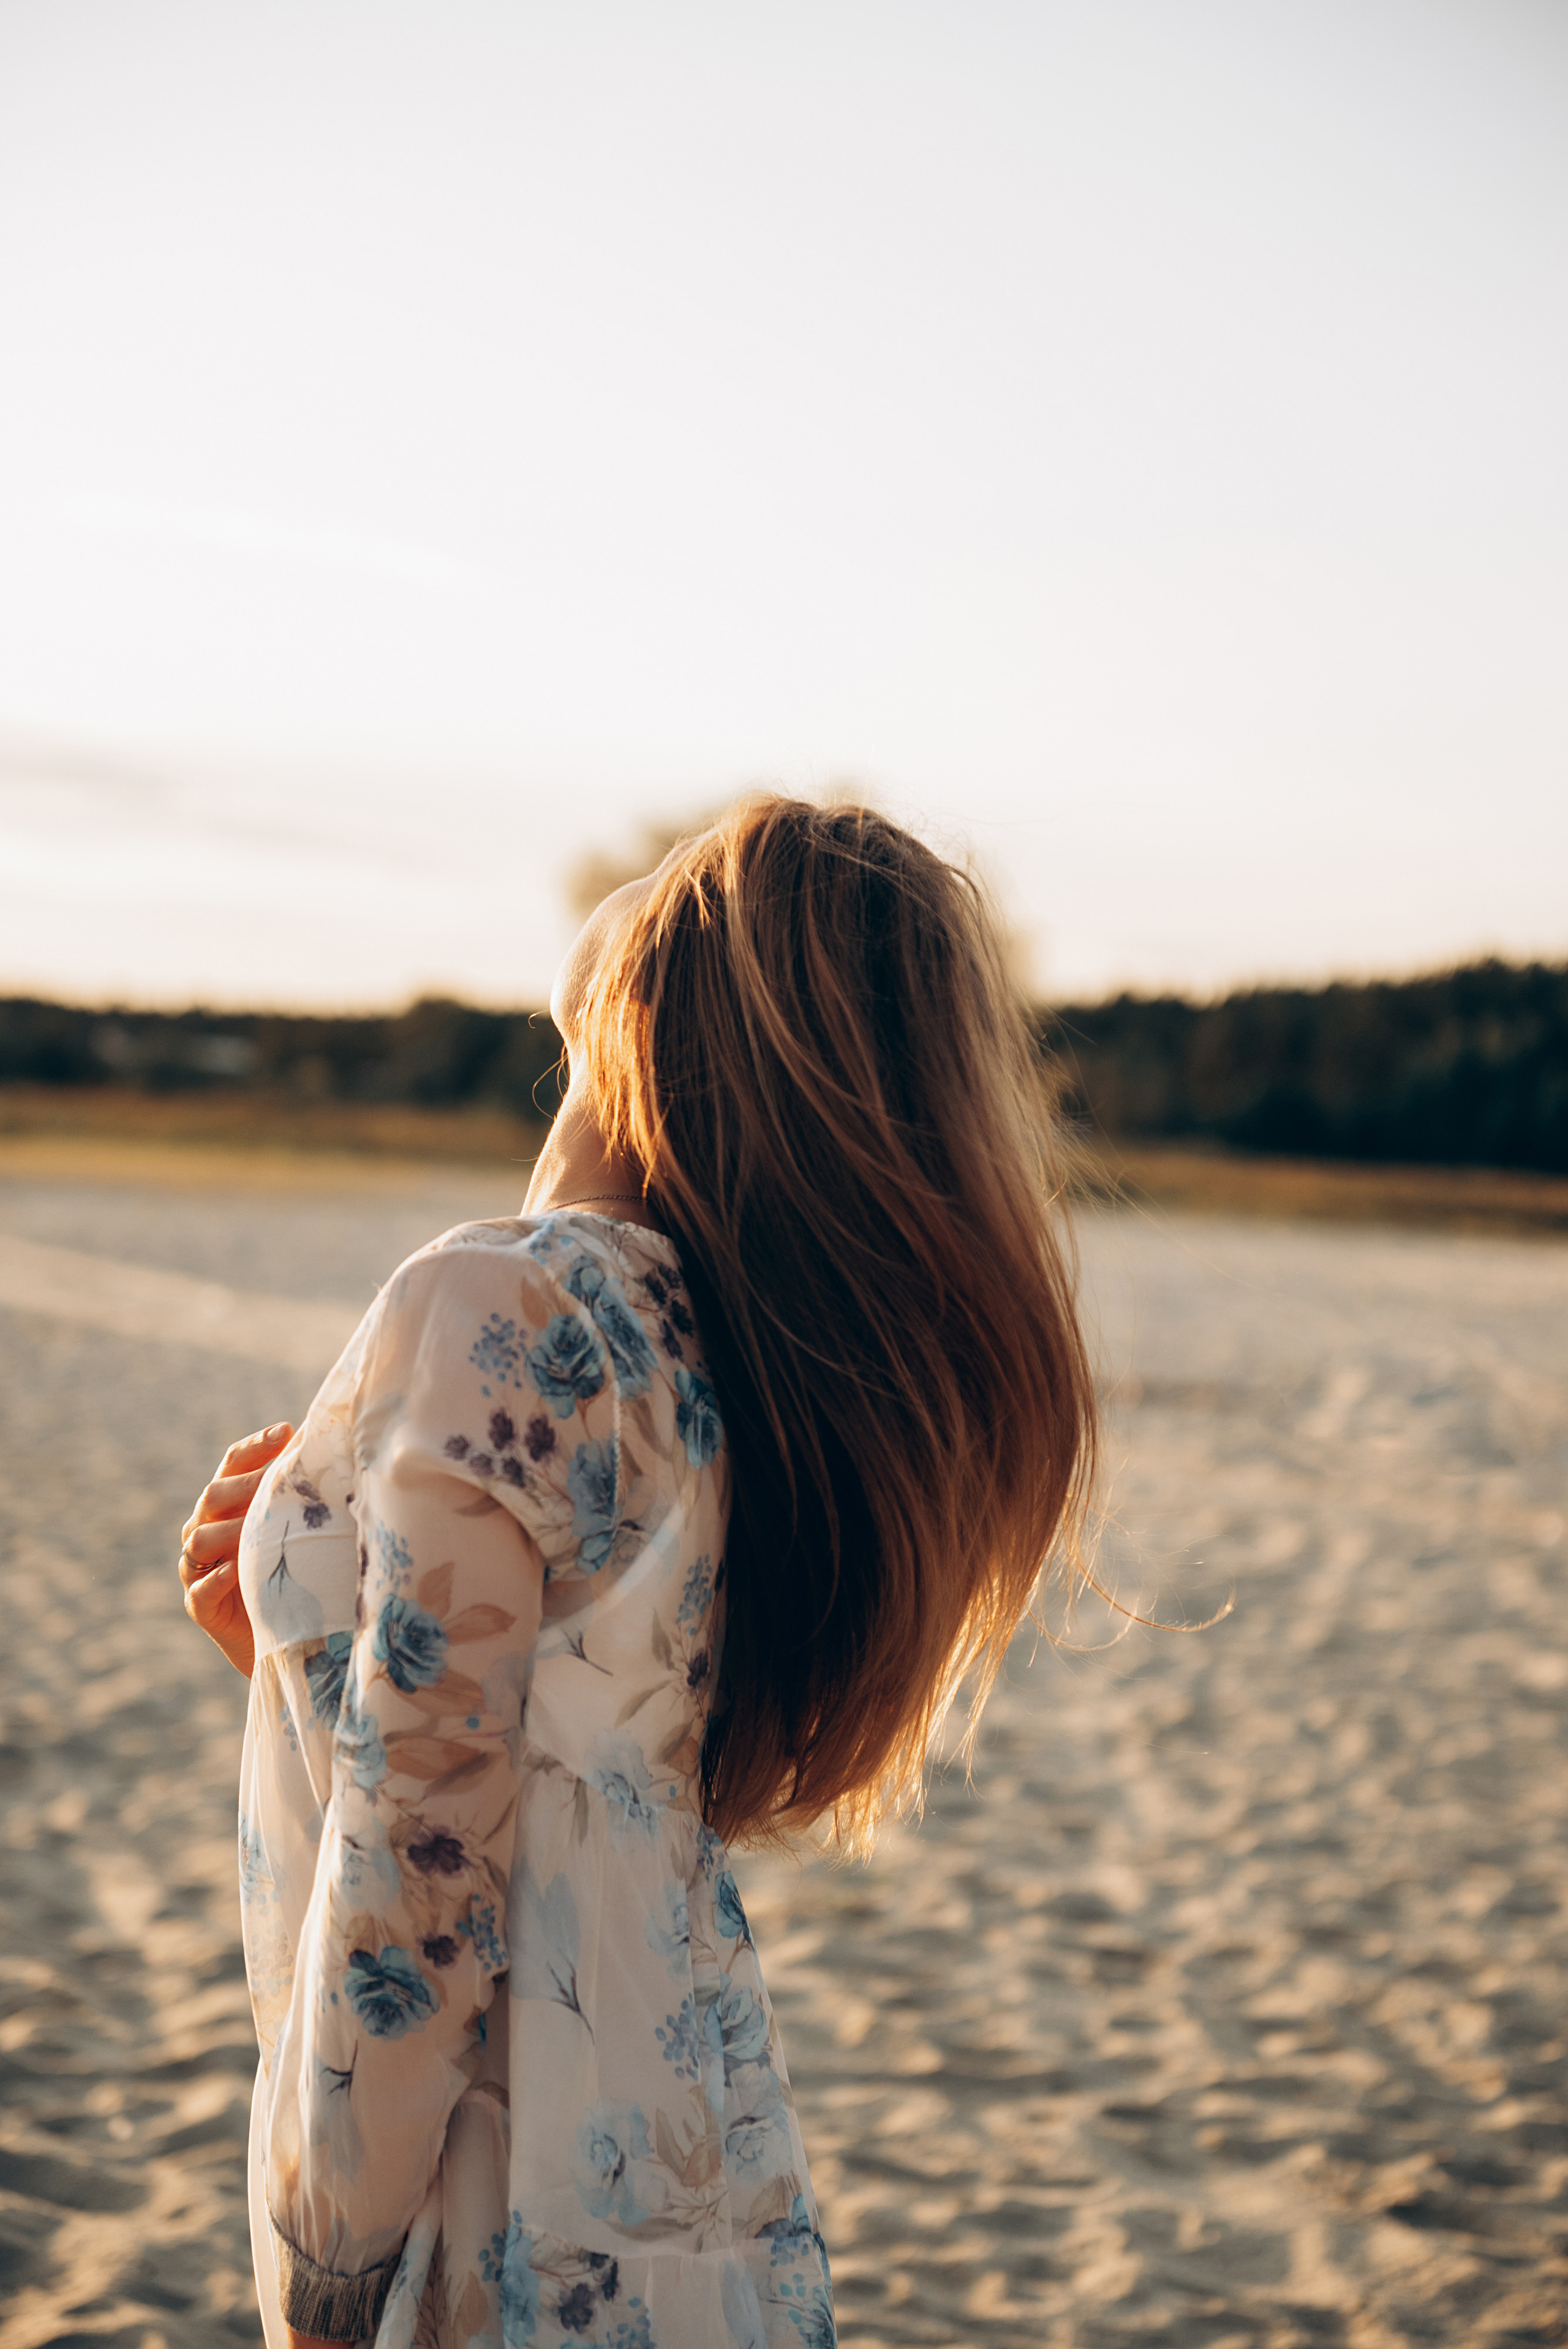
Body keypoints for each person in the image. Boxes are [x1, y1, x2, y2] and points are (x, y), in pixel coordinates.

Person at [178, 796, 1098, 2349]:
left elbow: (420, 1898)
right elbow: (565, 1770)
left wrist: (323, 2276)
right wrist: (312, 1654)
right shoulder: (728, 1355)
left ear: (678, 992)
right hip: (693, 2181)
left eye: (681, 886)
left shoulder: (511, 1300)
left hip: (501, 2213)